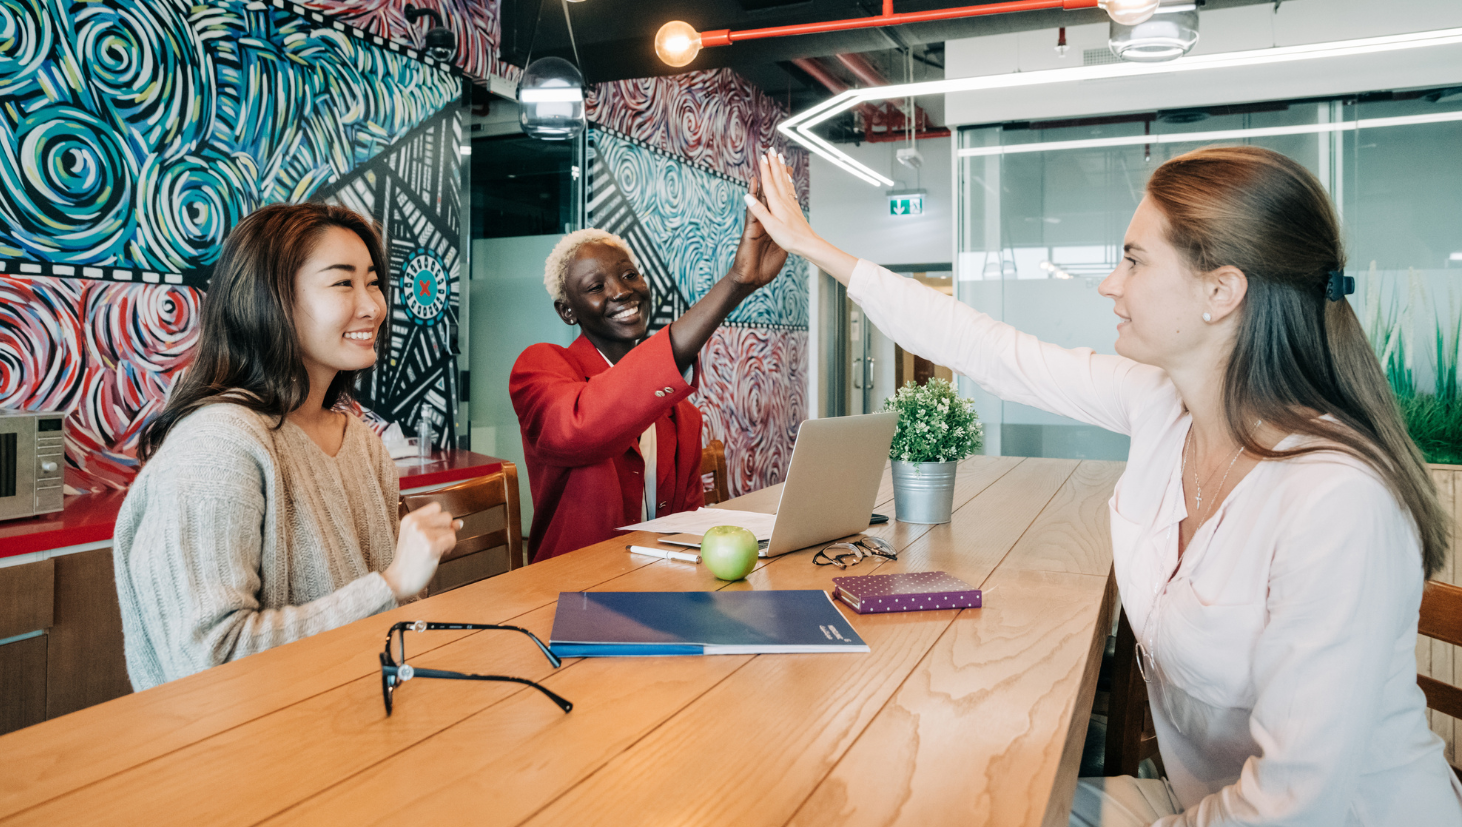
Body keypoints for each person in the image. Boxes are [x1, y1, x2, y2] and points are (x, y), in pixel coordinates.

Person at [741, 145, 1462, 826]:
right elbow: (992, 351)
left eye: (1134, 261)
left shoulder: (1339, 503)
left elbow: (1294, 806)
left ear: (1221, 291)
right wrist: (813, 247)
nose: (1109, 283)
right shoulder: (1161, 404)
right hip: (1198, 804)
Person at [114, 203, 458, 691]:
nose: (373, 306)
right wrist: (391, 584)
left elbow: (386, 631)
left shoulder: (360, 442)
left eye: (374, 282)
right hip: (240, 754)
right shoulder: (217, 445)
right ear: (270, 300)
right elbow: (208, 661)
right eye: (343, 283)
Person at [511, 168, 788, 562]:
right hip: (571, 592)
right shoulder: (540, 368)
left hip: (658, 588)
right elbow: (584, 424)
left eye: (629, 275)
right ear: (567, 311)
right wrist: (737, 283)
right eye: (595, 287)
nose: (622, 291)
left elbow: (684, 527)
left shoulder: (682, 418)